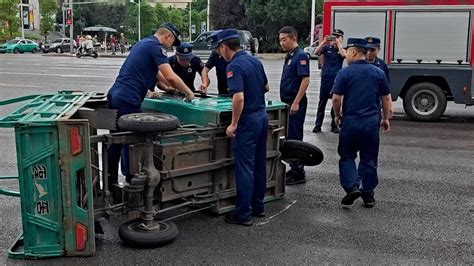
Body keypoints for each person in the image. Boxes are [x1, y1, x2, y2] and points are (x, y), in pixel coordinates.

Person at [106, 22, 195, 193]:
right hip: (128, 98)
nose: (171, 48)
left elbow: (158, 76)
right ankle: (134, 186)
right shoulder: (156, 47)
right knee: (134, 142)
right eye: (172, 43)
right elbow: (170, 76)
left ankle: (110, 186)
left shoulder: (143, 44)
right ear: (168, 36)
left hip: (116, 94)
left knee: (116, 142)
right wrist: (189, 93)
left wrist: (169, 89)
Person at [210, 29, 269, 226]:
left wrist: (233, 124)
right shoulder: (255, 61)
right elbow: (266, 88)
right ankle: (258, 207)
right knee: (259, 164)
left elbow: (239, 97)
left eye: (219, 49)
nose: (219, 54)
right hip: (262, 117)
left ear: (224, 47)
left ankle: (243, 214)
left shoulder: (234, 66)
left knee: (245, 167)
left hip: (248, 121)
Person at [331, 38, 392, 209]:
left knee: (347, 156)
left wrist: (337, 116)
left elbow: (336, 99)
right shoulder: (377, 72)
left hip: (351, 121)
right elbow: (386, 98)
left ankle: (351, 188)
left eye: (348, 51)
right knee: (369, 158)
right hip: (371, 123)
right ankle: (368, 195)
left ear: (354, 52)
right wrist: (385, 119)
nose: (346, 55)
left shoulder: (345, 73)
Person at [278, 26, 310, 185]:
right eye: (280, 40)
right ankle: (295, 168)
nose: (281, 43)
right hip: (288, 102)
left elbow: (305, 80)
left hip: (295, 103)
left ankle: (299, 173)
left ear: (293, 39)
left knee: (295, 137)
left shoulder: (301, 56)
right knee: (290, 136)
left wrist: (296, 102)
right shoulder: (290, 55)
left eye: (284, 39)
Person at [313, 29, 346, 134]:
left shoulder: (342, 49)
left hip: (336, 80)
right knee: (322, 103)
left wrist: (338, 43)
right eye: (333, 36)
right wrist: (323, 42)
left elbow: (344, 55)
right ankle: (318, 125)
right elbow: (316, 52)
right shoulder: (327, 48)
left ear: (341, 38)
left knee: (335, 103)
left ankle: (334, 125)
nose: (335, 38)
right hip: (326, 79)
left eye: (337, 36)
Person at [203, 31, 230, 95]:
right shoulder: (215, 55)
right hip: (222, 93)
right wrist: (205, 84)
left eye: (217, 48)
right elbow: (204, 70)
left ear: (223, 46)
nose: (216, 51)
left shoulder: (235, 56)